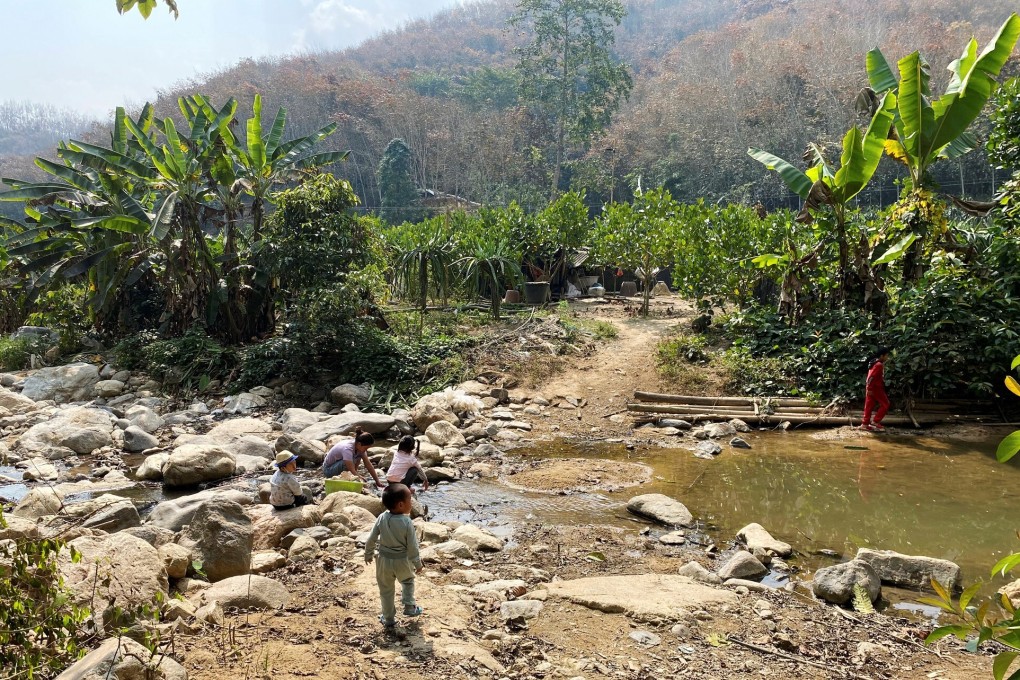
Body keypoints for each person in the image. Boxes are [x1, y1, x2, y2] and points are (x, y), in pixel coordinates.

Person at [364, 483, 423, 628]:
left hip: (384, 560)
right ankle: (409, 605)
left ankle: (389, 618)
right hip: (402, 560)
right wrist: (417, 562)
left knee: (386, 590)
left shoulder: (382, 518)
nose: (412, 502)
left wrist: (368, 553)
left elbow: (371, 538)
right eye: (410, 499)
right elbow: (412, 546)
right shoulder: (407, 522)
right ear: (401, 505)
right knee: (408, 581)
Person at [862, 346, 892, 432]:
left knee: (869, 405)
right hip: (875, 388)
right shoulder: (879, 365)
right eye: (886, 356)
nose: (887, 358)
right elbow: (871, 377)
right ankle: (875, 421)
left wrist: (868, 388)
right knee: (886, 403)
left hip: (870, 387)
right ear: (882, 356)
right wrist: (870, 388)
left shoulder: (873, 362)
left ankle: (865, 424)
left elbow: (869, 377)